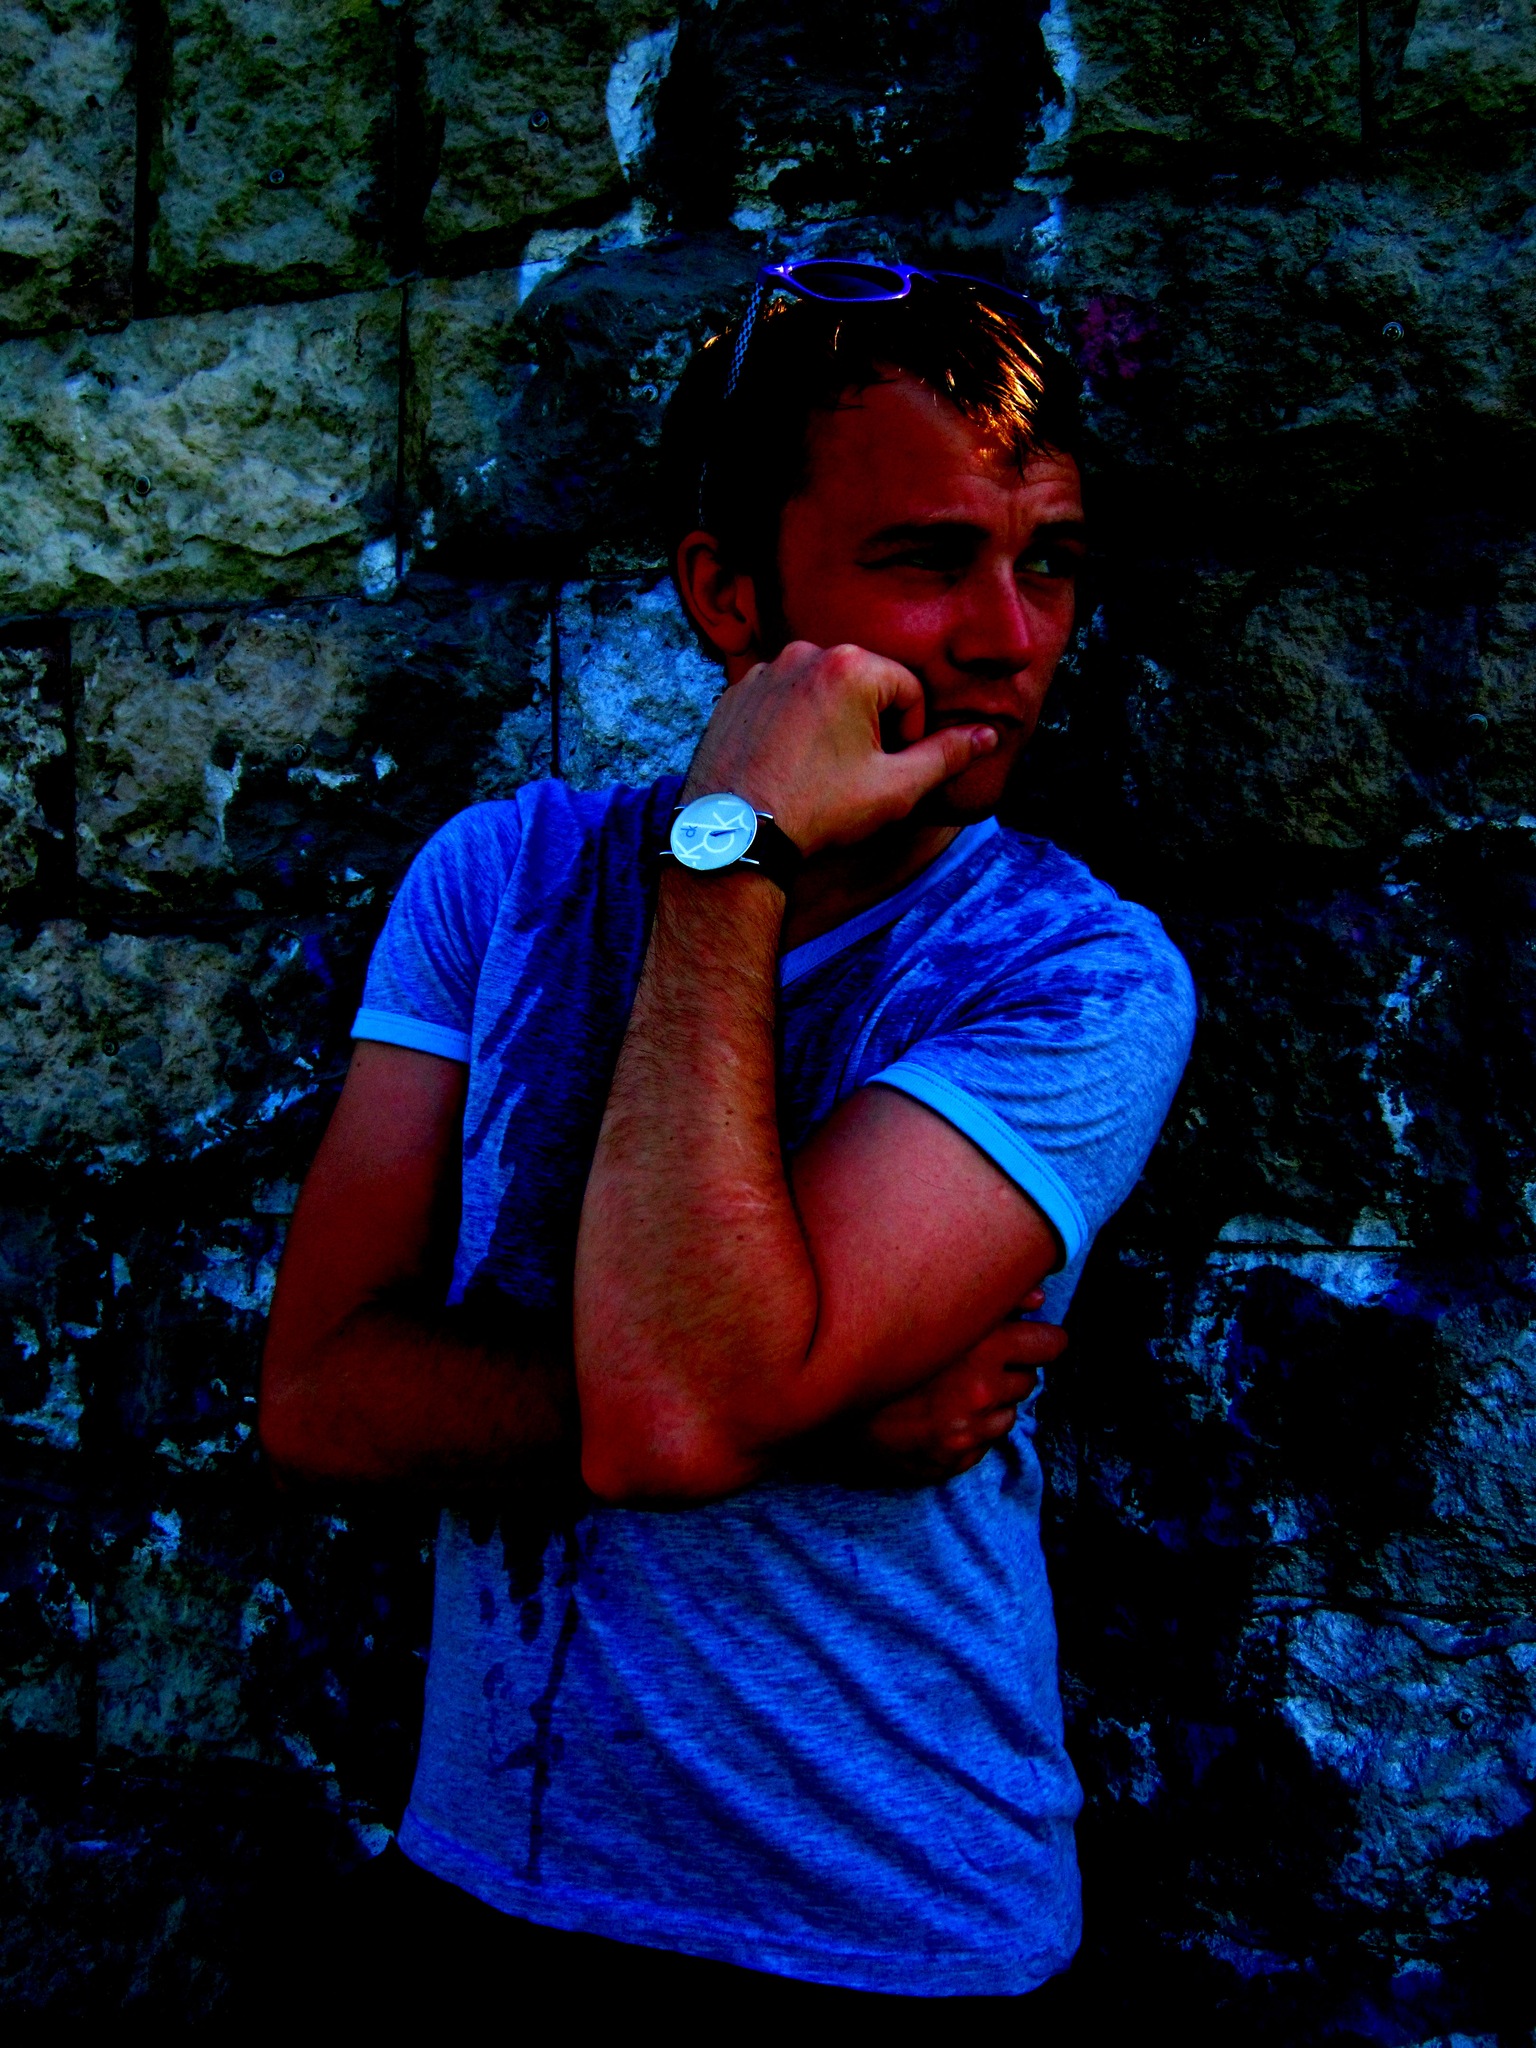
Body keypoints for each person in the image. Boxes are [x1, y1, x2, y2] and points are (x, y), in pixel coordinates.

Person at [258, 261, 1196, 2015]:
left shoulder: (1072, 972)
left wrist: (724, 861)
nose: (1011, 637)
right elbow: (318, 1396)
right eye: (927, 560)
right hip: (490, 1890)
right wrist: (819, 1416)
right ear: (726, 593)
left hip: (881, 1931)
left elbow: (677, 1416)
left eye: (1050, 561)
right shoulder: (505, 878)